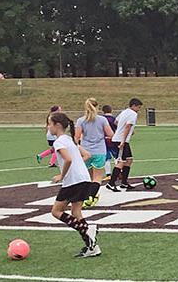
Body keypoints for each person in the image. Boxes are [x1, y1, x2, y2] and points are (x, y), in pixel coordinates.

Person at [48, 112, 100, 258]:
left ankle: (89, 229)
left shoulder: (59, 142)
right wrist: (78, 167)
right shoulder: (69, 139)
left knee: (56, 211)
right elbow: (87, 155)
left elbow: (68, 160)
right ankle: (92, 247)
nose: (48, 127)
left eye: (49, 124)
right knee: (76, 213)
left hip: (73, 181)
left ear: (57, 125)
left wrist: (61, 176)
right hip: (83, 178)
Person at [75, 98, 114, 204]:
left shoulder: (81, 120)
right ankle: (91, 196)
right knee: (97, 178)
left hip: (85, 151)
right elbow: (110, 134)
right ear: (97, 107)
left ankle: (87, 195)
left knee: (88, 176)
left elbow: (76, 138)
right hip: (99, 151)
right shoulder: (102, 120)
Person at [106, 98, 142, 192]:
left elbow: (116, 122)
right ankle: (111, 183)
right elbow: (127, 126)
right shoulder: (133, 114)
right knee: (121, 162)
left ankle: (124, 182)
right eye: (138, 107)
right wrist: (123, 140)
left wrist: (122, 129)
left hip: (121, 139)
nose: (139, 109)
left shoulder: (124, 112)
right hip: (121, 140)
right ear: (133, 106)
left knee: (129, 160)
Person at [101, 105, 118, 181]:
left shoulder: (101, 119)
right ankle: (119, 172)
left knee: (106, 158)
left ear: (103, 111)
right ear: (111, 110)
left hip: (104, 140)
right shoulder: (114, 119)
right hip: (114, 139)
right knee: (117, 157)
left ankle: (108, 174)